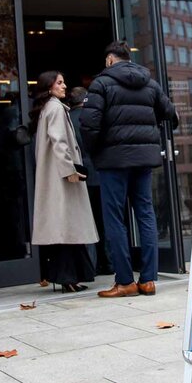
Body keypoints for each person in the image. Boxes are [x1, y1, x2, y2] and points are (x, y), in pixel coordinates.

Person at [81, 42, 178, 298]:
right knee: (145, 214)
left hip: (113, 161)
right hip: (144, 159)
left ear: (111, 60)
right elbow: (172, 114)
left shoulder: (101, 84)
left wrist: (94, 153)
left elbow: (89, 125)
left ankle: (125, 281)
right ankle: (148, 281)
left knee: (115, 218)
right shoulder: (150, 83)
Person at [29, 71, 99, 293]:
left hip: (53, 176)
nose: (64, 85)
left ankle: (67, 277)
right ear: (49, 87)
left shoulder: (46, 109)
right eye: (59, 82)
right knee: (68, 229)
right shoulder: (56, 109)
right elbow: (59, 142)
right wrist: (70, 169)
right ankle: (69, 278)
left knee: (63, 230)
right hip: (62, 178)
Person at [67, 86, 113, 275]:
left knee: (85, 222)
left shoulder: (68, 119)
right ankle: (108, 263)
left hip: (78, 175)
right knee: (104, 222)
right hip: (99, 173)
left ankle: (90, 266)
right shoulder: (94, 117)